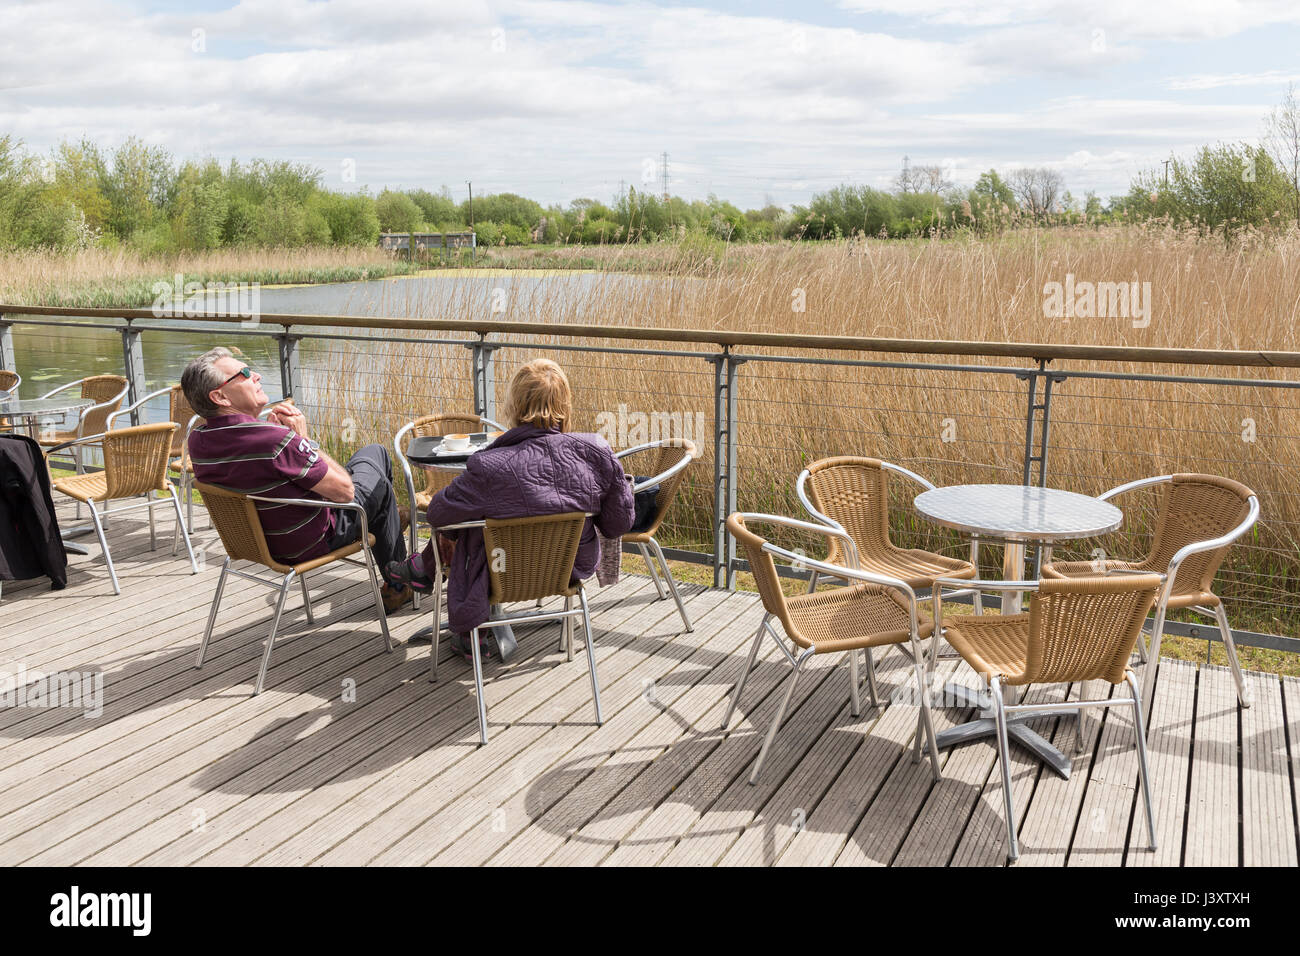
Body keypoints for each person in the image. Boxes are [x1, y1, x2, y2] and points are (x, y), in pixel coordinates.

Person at [386, 358, 634, 661]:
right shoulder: (597, 451)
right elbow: (619, 523)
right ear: (565, 406)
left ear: (514, 407)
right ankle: (427, 575)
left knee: (468, 526)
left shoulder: (489, 465)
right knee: (474, 519)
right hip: (566, 567)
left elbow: (438, 514)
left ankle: (441, 592)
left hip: (499, 571)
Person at [180, 347, 412, 612]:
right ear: (219, 396)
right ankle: (397, 581)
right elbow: (346, 493)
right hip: (313, 540)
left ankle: (387, 520)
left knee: (373, 470)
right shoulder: (275, 441)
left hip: (260, 545)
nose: (255, 375)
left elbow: (249, 464)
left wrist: (271, 430)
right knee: (378, 467)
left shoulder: (198, 440)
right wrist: (302, 440)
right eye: (243, 373)